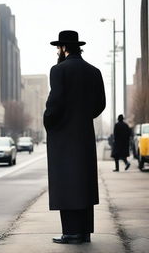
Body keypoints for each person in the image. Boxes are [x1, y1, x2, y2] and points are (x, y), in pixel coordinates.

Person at [43, 30, 106, 244]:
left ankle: (71, 233)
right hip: (85, 135)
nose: (57, 51)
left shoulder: (59, 70)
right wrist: (82, 116)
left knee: (66, 183)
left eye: (58, 48)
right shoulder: (94, 71)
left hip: (64, 135)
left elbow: (54, 103)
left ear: (63, 48)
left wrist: (50, 123)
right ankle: (84, 231)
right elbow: (100, 105)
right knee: (84, 182)